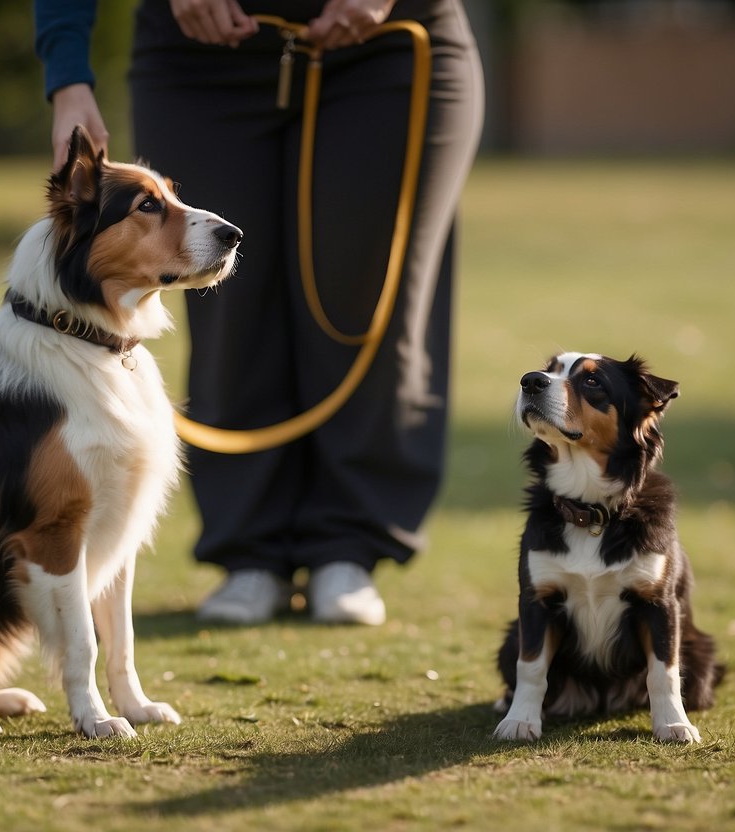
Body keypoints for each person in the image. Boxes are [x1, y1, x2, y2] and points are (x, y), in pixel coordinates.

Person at [35, 0, 483, 625]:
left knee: (361, 299)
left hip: (385, 49)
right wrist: (68, 74)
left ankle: (346, 548)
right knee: (227, 310)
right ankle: (252, 552)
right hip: (199, 60)